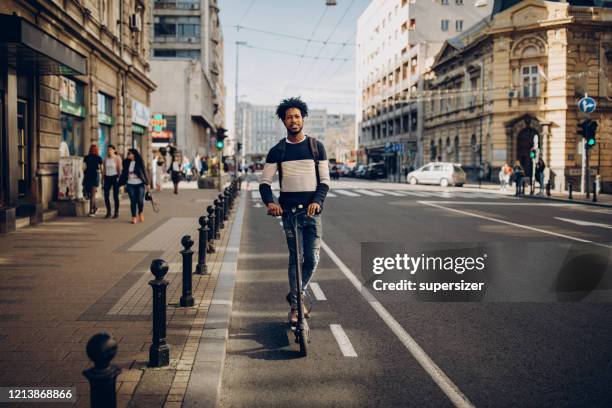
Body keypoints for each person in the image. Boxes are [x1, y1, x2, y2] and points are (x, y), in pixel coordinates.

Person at [259, 97, 330, 326]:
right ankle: (295, 306)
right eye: (289, 117)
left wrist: (317, 201)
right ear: (283, 121)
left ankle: (296, 293)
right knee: (295, 257)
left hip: (312, 213)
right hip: (289, 214)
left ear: (303, 119)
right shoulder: (277, 151)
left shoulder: (316, 147)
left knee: (312, 258)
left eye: (297, 116)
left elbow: (325, 181)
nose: (294, 120)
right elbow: (264, 183)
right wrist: (271, 203)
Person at [119, 148, 149, 224]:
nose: (128, 155)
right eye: (128, 153)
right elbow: (123, 173)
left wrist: (147, 183)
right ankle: (134, 217)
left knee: (140, 200)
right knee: (133, 201)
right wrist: (121, 183)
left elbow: (144, 171)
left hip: (139, 184)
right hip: (130, 184)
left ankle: (140, 212)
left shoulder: (139, 162)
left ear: (134, 154)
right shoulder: (126, 162)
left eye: (129, 153)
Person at [83, 144, 103, 217]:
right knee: (93, 194)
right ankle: (92, 211)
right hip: (95, 175)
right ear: (97, 150)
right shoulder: (99, 158)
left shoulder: (86, 157)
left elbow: (83, 167)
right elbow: (101, 169)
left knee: (89, 193)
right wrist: (102, 176)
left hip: (87, 175)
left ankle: (94, 208)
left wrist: (85, 173)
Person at [102, 145, 122, 218]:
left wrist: (120, 179)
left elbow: (119, 169)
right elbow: (104, 170)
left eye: (110, 149)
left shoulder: (117, 158)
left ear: (114, 150)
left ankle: (116, 212)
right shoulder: (105, 159)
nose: (109, 151)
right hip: (107, 178)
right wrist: (102, 179)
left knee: (115, 196)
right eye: (108, 149)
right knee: (106, 195)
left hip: (115, 177)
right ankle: (109, 211)